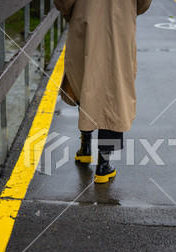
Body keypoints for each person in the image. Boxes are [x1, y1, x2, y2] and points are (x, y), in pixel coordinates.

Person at [54, 0, 152, 183]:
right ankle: (104, 164)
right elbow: (144, 3)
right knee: (115, 89)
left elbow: (63, 2)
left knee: (86, 78)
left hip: (85, 19)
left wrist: (72, 14)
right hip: (121, 24)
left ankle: (85, 147)